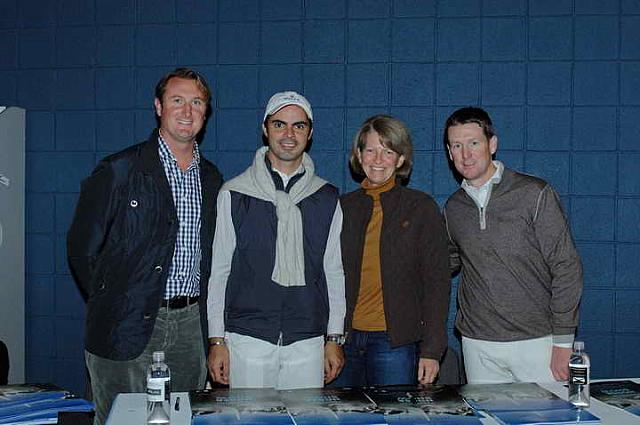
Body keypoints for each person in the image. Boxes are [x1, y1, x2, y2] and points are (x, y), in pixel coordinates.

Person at [67, 68, 223, 425]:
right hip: (126, 324)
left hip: (190, 328)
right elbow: (81, 248)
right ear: (158, 107)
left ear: (206, 112)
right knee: (121, 420)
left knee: (183, 420)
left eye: (197, 103)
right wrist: (116, 300)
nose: (187, 111)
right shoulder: (118, 170)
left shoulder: (212, 178)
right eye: (177, 101)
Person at [206, 91, 346, 389]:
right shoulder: (234, 193)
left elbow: (333, 272)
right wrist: (217, 339)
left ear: (310, 133)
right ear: (265, 128)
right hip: (248, 338)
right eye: (280, 124)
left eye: (299, 126)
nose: (289, 134)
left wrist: (334, 337)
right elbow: (219, 271)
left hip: (307, 339)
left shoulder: (326, 197)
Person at [442, 106, 583, 384]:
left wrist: (563, 343)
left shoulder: (534, 193)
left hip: (537, 342)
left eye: (473, 143)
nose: (466, 154)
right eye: (457, 145)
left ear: (492, 144)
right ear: (449, 153)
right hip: (477, 343)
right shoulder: (453, 207)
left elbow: (567, 267)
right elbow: (445, 263)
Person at [334, 114, 451, 387]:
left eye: (388, 152)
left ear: (400, 159)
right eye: (371, 150)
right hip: (344, 342)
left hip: (394, 343)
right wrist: (328, 340)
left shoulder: (421, 208)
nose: (377, 160)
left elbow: (437, 283)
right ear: (359, 155)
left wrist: (432, 350)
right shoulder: (341, 208)